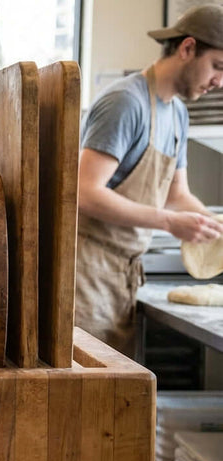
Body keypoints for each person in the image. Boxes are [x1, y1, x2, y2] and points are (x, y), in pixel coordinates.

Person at [76, 3, 223, 357]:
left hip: (123, 276)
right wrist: (170, 223)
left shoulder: (178, 113)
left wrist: (213, 226)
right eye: (217, 66)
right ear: (187, 48)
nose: (220, 82)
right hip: (86, 275)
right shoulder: (126, 102)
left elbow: (177, 194)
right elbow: (84, 192)